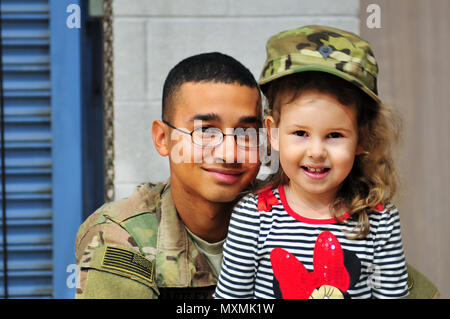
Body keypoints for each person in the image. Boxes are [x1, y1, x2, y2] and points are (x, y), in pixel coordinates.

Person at [214, 25, 410, 299]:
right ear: (273, 133)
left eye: (334, 135)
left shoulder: (379, 220)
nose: (317, 151)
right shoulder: (253, 218)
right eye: (300, 133)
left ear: (362, 139)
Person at [75, 52, 262, 298]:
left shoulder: (289, 216)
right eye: (205, 131)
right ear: (163, 139)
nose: (229, 153)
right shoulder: (122, 235)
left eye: (246, 133)